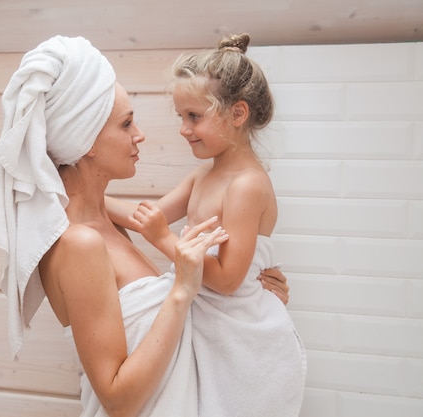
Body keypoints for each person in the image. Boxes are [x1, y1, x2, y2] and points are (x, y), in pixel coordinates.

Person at [0, 35, 290, 417]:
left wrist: (254, 300)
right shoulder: (80, 243)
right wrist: (183, 287)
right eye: (127, 122)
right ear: (88, 141)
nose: (141, 134)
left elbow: (154, 232)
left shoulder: (109, 226)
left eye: (193, 116)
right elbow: (118, 399)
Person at [106, 33, 306, 416]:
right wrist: (80, 196)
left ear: (237, 114)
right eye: (182, 116)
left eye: (194, 116)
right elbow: (145, 218)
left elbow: (230, 280)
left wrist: (165, 239)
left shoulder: (247, 185)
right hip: (205, 309)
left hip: (238, 325)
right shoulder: (203, 177)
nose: (184, 128)